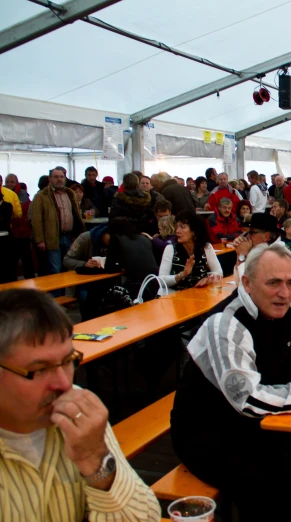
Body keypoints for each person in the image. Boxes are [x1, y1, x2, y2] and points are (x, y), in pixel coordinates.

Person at [171, 242, 291, 520]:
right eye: (273, 283)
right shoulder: (226, 323)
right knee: (272, 485)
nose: (284, 293)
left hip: (263, 423)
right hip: (211, 431)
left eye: (290, 283)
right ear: (248, 283)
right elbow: (248, 399)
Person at [0, 290, 161, 520]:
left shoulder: (80, 412)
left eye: (68, 361)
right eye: (40, 369)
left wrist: (96, 461)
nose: (65, 383)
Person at [31, 167, 85, 278]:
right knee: (55, 269)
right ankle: (56, 295)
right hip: (53, 237)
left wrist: (78, 233)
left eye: (61, 177)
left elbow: (75, 214)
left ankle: (68, 294)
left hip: (70, 236)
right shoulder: (41, 196)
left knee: (69, 267)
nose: (59, 179)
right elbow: (36, 220)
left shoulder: (71, 194)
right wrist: (40, 240)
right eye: (56, 177)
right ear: (50, 179)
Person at [159, 210, 222, 291]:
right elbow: (161, 281)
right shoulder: (170, 249)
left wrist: (207, 279)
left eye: (182, 227)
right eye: (177, 227)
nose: (177, 231)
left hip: (199, 296)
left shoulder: (206, 247)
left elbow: (219, 272)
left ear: (194, 231)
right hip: (175, 297)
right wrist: (182, 275)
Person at [104, 217, 160, 299]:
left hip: (136, 284)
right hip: (155, 281)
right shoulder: (144, 238)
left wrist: (121, 268)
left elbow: (109, 268)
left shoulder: (116, 239)